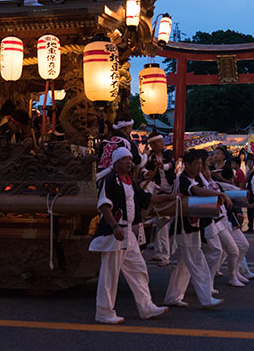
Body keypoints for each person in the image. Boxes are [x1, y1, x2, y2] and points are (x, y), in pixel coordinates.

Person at [90, 147, 173, 324]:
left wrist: (170, 197)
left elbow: (146, 197)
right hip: (115, 232)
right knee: (109, 274)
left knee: (138, 269)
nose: (129, 162)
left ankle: (146, 307)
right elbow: (104, 205)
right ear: (116, 162)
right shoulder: (110, 180)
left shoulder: (128, 181)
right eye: (125, 159)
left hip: (128, 232)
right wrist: (113, 226)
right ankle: (103, 312)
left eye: (130, 159)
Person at [163, 149, 225, 310]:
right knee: (198, 263)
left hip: (190, 227)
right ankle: (206, 299)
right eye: (196, 164)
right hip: (185, 229)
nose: (199, 167)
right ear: (187, 165)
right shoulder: (183, 179)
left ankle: (173, 296)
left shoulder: (192, 177)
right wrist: (218, 195)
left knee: (184, 265)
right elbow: (197, 191)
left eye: (200, 163)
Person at [200, 151, 244, 290]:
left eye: (208, 169)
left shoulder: (214, 182)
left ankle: (228, 276)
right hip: (213, 221)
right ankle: (210, 282)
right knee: (223, 251)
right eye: (205, 169)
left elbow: (231, 188)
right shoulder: (199, 184)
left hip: (223, 220)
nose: (208, 172)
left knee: (227, 250)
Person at [141, 131, 175, 267]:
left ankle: (165, 257)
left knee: (163, 224)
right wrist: (146, 173)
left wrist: (164, 166)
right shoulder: (151, 157)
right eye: (159, 142)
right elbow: (144, 168)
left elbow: (171, 164)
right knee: (160, 225)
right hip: (158, 188)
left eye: (162, 142)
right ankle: (158, 253)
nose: (162, 144)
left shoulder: (167, 154)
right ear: (153, 145)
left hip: (170, 189)